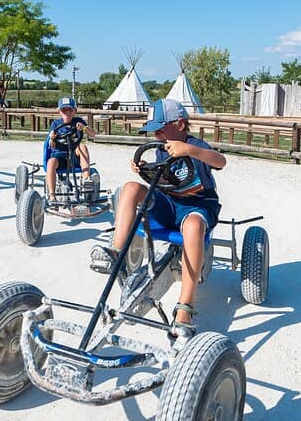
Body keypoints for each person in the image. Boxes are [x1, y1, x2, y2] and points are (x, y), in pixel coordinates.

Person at [89, 98, 225, 334]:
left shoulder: (195, 145)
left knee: (193, 226)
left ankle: (185, 307)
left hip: (197, 206)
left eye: (161, 129)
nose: (158, 135)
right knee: (131, 187)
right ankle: (116, 251)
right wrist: (145, 170)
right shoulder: (161, 150)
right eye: (155, 131)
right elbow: (166, 182)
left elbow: (221, 162)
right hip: (170, 204)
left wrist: (190, 150)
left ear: (180, 124)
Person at [46, 96, 96, 201]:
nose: (67, 113)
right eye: (64, 110)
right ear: (60, 112)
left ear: (75, 111)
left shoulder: (78, 121)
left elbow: (93, 134)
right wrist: (52, 138)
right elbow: (51, 145)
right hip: (59, 156)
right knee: (50, 162)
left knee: (82, 146)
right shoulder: (55, 124)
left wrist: (84, 128)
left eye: (70, 110)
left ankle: (87, 179)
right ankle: (52, 195)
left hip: (73, 156)